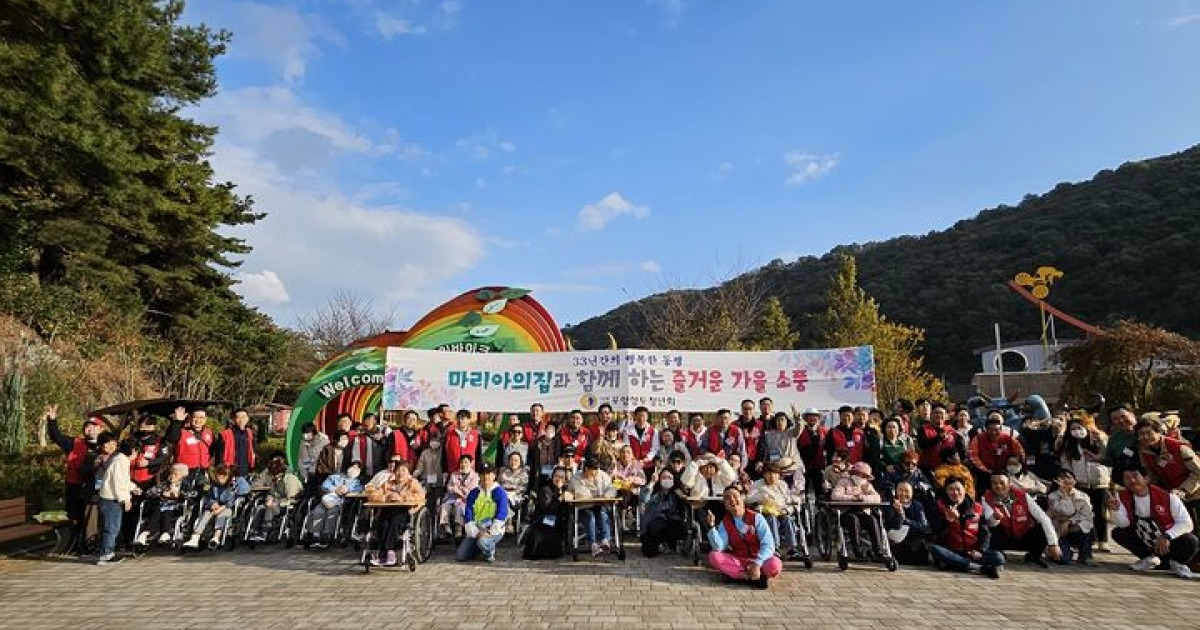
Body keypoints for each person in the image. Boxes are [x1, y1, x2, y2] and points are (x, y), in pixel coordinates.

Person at [1109, 464, 1198, 579]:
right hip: (1145, 539)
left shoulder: (1168, 497)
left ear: (1146, 479)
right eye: (1127, 477)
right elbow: (1124, 524)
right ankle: (1148, 558)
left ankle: (1178, 564)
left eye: (1135, 476)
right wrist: (1115, 510)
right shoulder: (1121, 497)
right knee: (1117, 533)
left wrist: (1167, 536)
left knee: (1191, 540)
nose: (1131, 480)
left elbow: (1187, 523)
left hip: (1169, 541)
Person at [45, 405, 103, 552]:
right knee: (75, 517)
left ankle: (91, 544)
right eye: (87, 427)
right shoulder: (74, 443)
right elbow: (56, 437)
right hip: (75, 487)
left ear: (100, 429)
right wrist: (52, 420)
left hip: (97, 489)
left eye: (93, 427)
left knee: (93, 518)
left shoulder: (106, 445)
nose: (90, 429)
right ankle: (75, 545)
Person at [705, 487, 781, 589]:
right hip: (739, 560)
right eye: (727, 498)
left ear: (742, 498)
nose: (732, 499)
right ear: (725, 504)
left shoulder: (757, 518)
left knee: (775, 565)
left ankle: (739, 576)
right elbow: (719, 547)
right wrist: (711, 527)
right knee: (714, 556)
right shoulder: (725, 522)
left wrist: (757, 563)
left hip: (760, 558)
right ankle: (747, 577)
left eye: (735, 496)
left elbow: (768, 545)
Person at [981, 472, 1061, 568]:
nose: (998, 486)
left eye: (1002, 483)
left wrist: (1053, 544)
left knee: (1041, 527)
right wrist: (995, 517)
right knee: (989, 530)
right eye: (994, 483)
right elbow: (990, 523)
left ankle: (1034, 556)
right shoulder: (986, 498)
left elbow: (1043, 518)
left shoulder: (1022, 496)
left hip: (1022, 534)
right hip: (1003, 536)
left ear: (1009, 483)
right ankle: (998, 554)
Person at [930, 477, 1004, 578]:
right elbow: (936, 533)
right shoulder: (939, 506)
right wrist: (948, 520)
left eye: (958, 489)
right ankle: (979, 568)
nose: (955, 492)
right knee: (935, 550)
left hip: (973, 552)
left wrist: (980, 551)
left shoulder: (977, 507)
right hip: (952, 551)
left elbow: (985, 533)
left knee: (999, 557)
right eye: (951, 489)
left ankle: (961, 565)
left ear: (964, 490)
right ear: (946, 491)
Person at [1055, 416, 1111, 550]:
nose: (1076, 431)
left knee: (1101, 512)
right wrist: (1070, 481)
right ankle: (1088, 539)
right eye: (1073, 429)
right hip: (1081, 483)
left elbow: (1108, 456)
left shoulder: (1097, 441)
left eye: (1079, 428)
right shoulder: (1068, 447)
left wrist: (1100, 437)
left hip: (1099, 482)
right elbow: (1066, 465)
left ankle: (1103, 540)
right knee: (1084, 512)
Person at [366, 457, 426, 567]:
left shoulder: (413, 483)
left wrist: (402, 497)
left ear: (409, 473)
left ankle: (390, 553)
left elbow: (420, 496)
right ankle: (382, 554)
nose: (400, 473)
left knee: (394, 521)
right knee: (382, 523)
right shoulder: (388, 484)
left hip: (405, 512)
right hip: (387, 510)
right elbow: (373, 495)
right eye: (398, 470)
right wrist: (387, 497)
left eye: (404, 470)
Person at [746, 459, 803, 560]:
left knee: (788, 518)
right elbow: (747, 499)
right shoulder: (758, 484)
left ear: (779, 475)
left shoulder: (782, 485)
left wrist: (788, 510)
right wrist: (761, 497)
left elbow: (788, 500)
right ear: (764, 475)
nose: (772, 477)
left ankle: (792, 548)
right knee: (772, 519)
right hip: (765, 513)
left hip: (781, 512)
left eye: (775, 474)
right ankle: (775, 547)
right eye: (769, 474)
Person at [184, 464, 250, 550]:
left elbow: (233, 500)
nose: (219, 478)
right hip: (216, 506)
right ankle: (195, 537)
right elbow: (209, 497)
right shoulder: (214, 485)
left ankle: (216, 537)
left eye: (222, 476)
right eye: (218, 476)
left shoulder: (233, 485)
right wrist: (212, 504)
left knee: (222, 516)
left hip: (228, 507)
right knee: (206, 514)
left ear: (227, 476)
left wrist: (221, 508)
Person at [1136, 416, 1200, 503]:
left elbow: (1198, 472)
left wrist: (1184, 490)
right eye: (1141, 434)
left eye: (1149, 433)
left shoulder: (1179, 447)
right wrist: (1144, 483)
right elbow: (1152, 473)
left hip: (1194, 493)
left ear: (1159, 432)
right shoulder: (1143, 452)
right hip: (1172, 495)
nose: (1145, 437)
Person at [456, 462, 509, 562]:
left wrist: (490, 531)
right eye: (483, 474)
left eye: (489, 474)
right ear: (479, 476)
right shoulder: (474, 492)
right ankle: (480, 548)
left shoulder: (499, 492)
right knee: (460, 556)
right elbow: (468, 514)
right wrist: (476, 532)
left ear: (494, 475)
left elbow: (502, 514)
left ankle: (489, 552)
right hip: (477, 529)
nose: (486, 477)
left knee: (483, 542)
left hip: (493, 530)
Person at [94, 433, 133, 565]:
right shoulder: (121, 461)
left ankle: (109, 552)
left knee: (113, 527)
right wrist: (125, 499)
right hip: (111, 499)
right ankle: (106, 554)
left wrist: (133, 487)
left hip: (110, 497)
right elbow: (119, 482)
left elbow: (123, 480)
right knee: (111, 527)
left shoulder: (118, 459)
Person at [306, 462, 364, 548]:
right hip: (327, 499)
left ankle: (327, 535)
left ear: (359, 472)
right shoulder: (335, 477)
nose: (353, 470)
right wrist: (335, 489)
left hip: (340, 502)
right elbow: (324, 486)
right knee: (318, 511)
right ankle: (315, 535)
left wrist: (347, 489)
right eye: (352, 467)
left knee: (332, 512)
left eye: (357, 469)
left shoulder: (356, 483)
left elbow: (359, 490)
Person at [831, 461, 883, 558]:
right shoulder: (844, 482)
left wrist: (864, 498)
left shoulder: (867, 485)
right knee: (853, 519)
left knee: (872, 520)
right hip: (846, 512)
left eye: (864, 475)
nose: (861, 477)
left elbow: (877, 498)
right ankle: (857, 549)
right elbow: (835, 495)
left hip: (862, 512)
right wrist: (852, 498)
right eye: (859, 474)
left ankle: (878, 550)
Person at [568, 457, 618, 555]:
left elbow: (612, 488)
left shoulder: (602, 475)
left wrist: (607, 495)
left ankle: (605, 540)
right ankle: (593, 544)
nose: (595, 473)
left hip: (600, 505)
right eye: (593, 471)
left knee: (603, 515)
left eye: (597, 470)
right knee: (590, 517)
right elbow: (581, 493)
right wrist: (595, 495)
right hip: (583, 506)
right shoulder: (576, 478)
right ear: (586, 469)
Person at [134, 463, 193, 547]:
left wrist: (179, 495)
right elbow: (149, 492)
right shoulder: (165, 484)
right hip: (160, 506)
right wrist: (162, 493)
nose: (172, 476)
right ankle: (145, 534)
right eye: (171, 473)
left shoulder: (185, 485)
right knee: (157, 511)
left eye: (175, 474)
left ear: (182, 476)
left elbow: (193, 495)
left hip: (175, 508)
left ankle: (166, 533)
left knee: (166, 511)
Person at [247, 455, 302, 542]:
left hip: (288, 505)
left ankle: (265, 531)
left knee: (270, 507)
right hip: (276, 503)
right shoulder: (275, 480)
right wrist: (269, 499)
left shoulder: (290, 479)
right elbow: (272, 493)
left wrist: (276, 502)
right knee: (259, 508)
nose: (273, 478)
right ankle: (254, 531)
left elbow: (292, 499)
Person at [1046, 469, 1095, 566]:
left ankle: (1085, 554)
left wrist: (1069, 521)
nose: (1066, 480)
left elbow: (1087, 515)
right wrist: (1064, 494)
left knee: (1088, 527)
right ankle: (1056, 551)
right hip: (1059, 532)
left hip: (1075, 529)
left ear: (1075, 481)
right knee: (1064, 560)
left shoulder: (1083, 496)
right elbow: (1068, 511)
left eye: (1069, 477)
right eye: (1062, 478)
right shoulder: (1053, 496)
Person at [969, 412, 1026, 494]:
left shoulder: (1008, 438)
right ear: (986, 429)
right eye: (990, 430)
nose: (993, 432)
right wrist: (986, 470)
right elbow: (974, 456)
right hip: (985, 473)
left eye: (996, 430)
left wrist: (1015, 466)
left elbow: (1020, 452)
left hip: (1006, 473)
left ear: (1001, 429)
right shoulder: (978, 439)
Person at [640, 469, 688, 557]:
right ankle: (659, 544)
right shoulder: (654, 493)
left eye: (669, 477)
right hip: (653, 527)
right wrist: (652, 483)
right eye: (664, 477)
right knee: (649, 552)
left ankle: (670, 544)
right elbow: (644, 499)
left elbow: (685, 507)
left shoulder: (676, 493)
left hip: (671, 524)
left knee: (676, 525)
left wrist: (683, 497)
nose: (667, 479)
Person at [883, 481, 929, 565]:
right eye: (900, 490)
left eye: (906, 491)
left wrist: (906, 521)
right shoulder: (889, 504)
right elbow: (892, 525)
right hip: (896, 542)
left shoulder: (917, 505)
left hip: (913, 540)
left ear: (912, 493)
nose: (903, 494)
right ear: (896, 492)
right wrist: (900, 514)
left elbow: (923, 527)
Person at [916, 403, 967, 474]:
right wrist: (938, 438)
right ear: (931, 415)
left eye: (941, 413)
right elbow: (922, 445)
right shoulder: (923, 429)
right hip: (927, 469)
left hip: (948, 469)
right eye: (936, 413)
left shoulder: (952, 431)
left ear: (946, 416)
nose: (939, 415)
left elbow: (961, 450)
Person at [440, 454, 479, 538]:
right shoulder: (454, 474)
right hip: (452, 497)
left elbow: (471, 490)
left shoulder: (475, 476)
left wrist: (458, 490)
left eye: (466, 462)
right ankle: (446, 527)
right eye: (462, 462)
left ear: (471, 463)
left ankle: (459, 528)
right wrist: (455, 490)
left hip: (466, 499)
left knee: (459, 506)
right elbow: (449, 487)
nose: (463, 464)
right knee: (444, 506)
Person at [168, 407, 214, 473]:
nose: (198, 420)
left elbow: (212, 450)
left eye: (201, 417)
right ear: (190, 418)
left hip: (202, 470)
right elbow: (171, 438)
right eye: (195, 417)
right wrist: (177, 422)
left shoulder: (209, 433)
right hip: (183, 471)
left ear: (206, 419)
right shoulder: (181, 432)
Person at [215, 409, 256, 478]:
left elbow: (252, 451)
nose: (241, 419)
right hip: (229, 471)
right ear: (234, 419)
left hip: (246, 470)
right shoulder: (225, 434)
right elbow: (219, 455)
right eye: (238, 417)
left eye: (243, 417)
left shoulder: (250, 433)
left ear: (248, 418)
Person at [796, 408, 827, 499]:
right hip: (803, 468)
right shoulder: (800, 432)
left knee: (820, 493)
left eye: (815, 416)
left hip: (819, 467)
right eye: (810, 416)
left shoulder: (825, 432)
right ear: (805, 418)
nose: (812, 418)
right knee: (801, 492)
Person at [498, 451, 530, 531]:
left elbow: (523, 487)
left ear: (520, 462)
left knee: (506, 499)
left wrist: (512, 491)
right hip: (502, 493)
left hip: (516, 496)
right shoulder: (503, 470)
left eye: (516, 460)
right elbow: (498, 484)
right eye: (511, 460)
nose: (513, 462)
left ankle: (508, 522)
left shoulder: (524, 472)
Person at [625, 406, 660, 477]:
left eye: (643, 416)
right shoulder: (627, 430)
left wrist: (647, 458)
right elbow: (626, 446)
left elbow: (655, 448)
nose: (641, 418)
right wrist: (633, 459)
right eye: (639, 415)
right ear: (635, 416)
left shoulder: (653, 431)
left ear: (647, 417)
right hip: (632, 464)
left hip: (648, 465)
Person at [735, 399, 765, 476]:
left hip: (755, 460)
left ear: (754, 410)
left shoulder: (760, 424)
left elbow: (763, 444)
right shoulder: (734, 425)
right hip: (738, 460)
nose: (748, 411)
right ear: (741, 409)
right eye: (745, 409)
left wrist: (760, 460)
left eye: (750, 409)